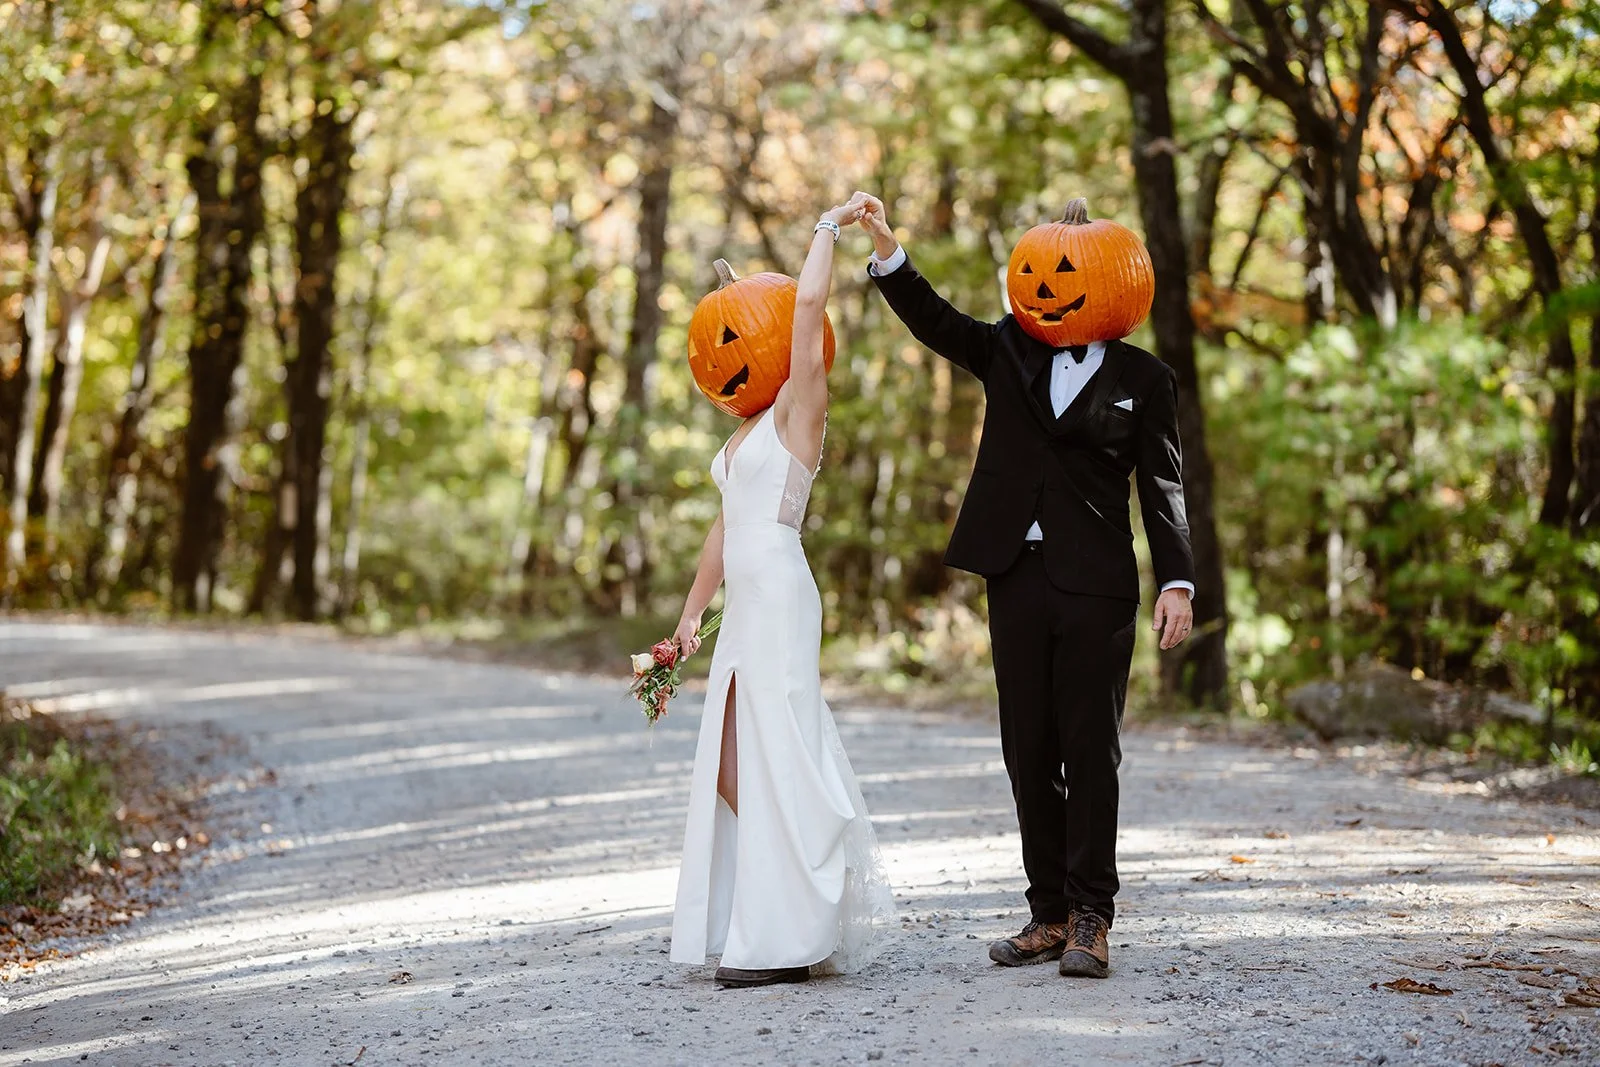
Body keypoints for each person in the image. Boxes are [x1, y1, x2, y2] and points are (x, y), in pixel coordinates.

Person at [854, 190, 1195, 979]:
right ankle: (1046, 913)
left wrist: (1177, 580)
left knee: (1089, 748)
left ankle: (1090, 917)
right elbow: (938, 322)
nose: (1048, 284)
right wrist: (886, 248)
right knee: (1026, 746)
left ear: (1115, 281)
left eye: (1067, 271)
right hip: (1015, 572)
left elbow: (1166, 488)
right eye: (1038, 271)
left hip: (1098, 584)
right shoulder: (1010, 346)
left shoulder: (1147, 378)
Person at [669, 194, 895, 989]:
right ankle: (782, 907)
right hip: (743, 603)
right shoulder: (736, 437)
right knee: (731, 760)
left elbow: (804, 306)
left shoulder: (800, 412)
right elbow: (721, 532)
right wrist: (689, 617)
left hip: (784, 594)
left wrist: (829, 226)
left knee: (780, 750)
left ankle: (783, 938)